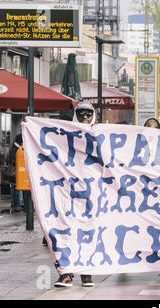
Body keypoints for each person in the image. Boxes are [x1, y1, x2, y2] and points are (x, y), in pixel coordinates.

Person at [54, 101, 96, 288]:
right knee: (66, 230)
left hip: (93, 193)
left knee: (88, 232)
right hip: (69, 191)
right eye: (81, 113)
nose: (85, 117)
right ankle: (66, 273)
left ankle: (87, 273)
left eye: (88, 113)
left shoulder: (100, 134)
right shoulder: (65, 134)